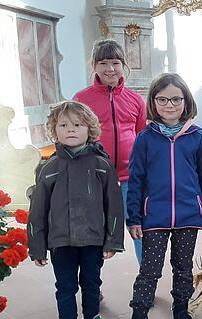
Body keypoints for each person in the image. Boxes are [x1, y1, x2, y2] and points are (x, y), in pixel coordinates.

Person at [125, 73, 202, 319]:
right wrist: (133, 218)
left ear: (185, 101)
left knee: (183, 267)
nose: (169, 104)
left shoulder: (197, 136)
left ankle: (181, 311)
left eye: (175, 99)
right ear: (154, 102)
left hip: (188, 216)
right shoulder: (145, 138)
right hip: (154, 217)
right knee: (150, 270)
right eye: (162, 99)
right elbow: (135, 180)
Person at [27, 101, 124, 319]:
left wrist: (112, 241)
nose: (71, 130)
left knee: (92, 285)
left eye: (78, 125)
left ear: (89, 129)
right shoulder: (48, 169)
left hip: (93, 240)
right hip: (61, 242)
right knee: (65, 287)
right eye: (64, 125)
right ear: (54, 131)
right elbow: (37, 211)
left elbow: (114, 206)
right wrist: (36, 245)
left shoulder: (102, 165)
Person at [74, 39, 146, 264]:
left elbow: (141, 135)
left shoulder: (135, 99)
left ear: (124, 65)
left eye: (115, 62)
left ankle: (147, 277)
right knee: (94, 232)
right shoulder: (81, 99)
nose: (110, 69)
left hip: (130, 178)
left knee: (139, 227)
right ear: (94, 66)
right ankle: (92, 282)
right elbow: (75, 137)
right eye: (103, 63)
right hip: (95, 177)